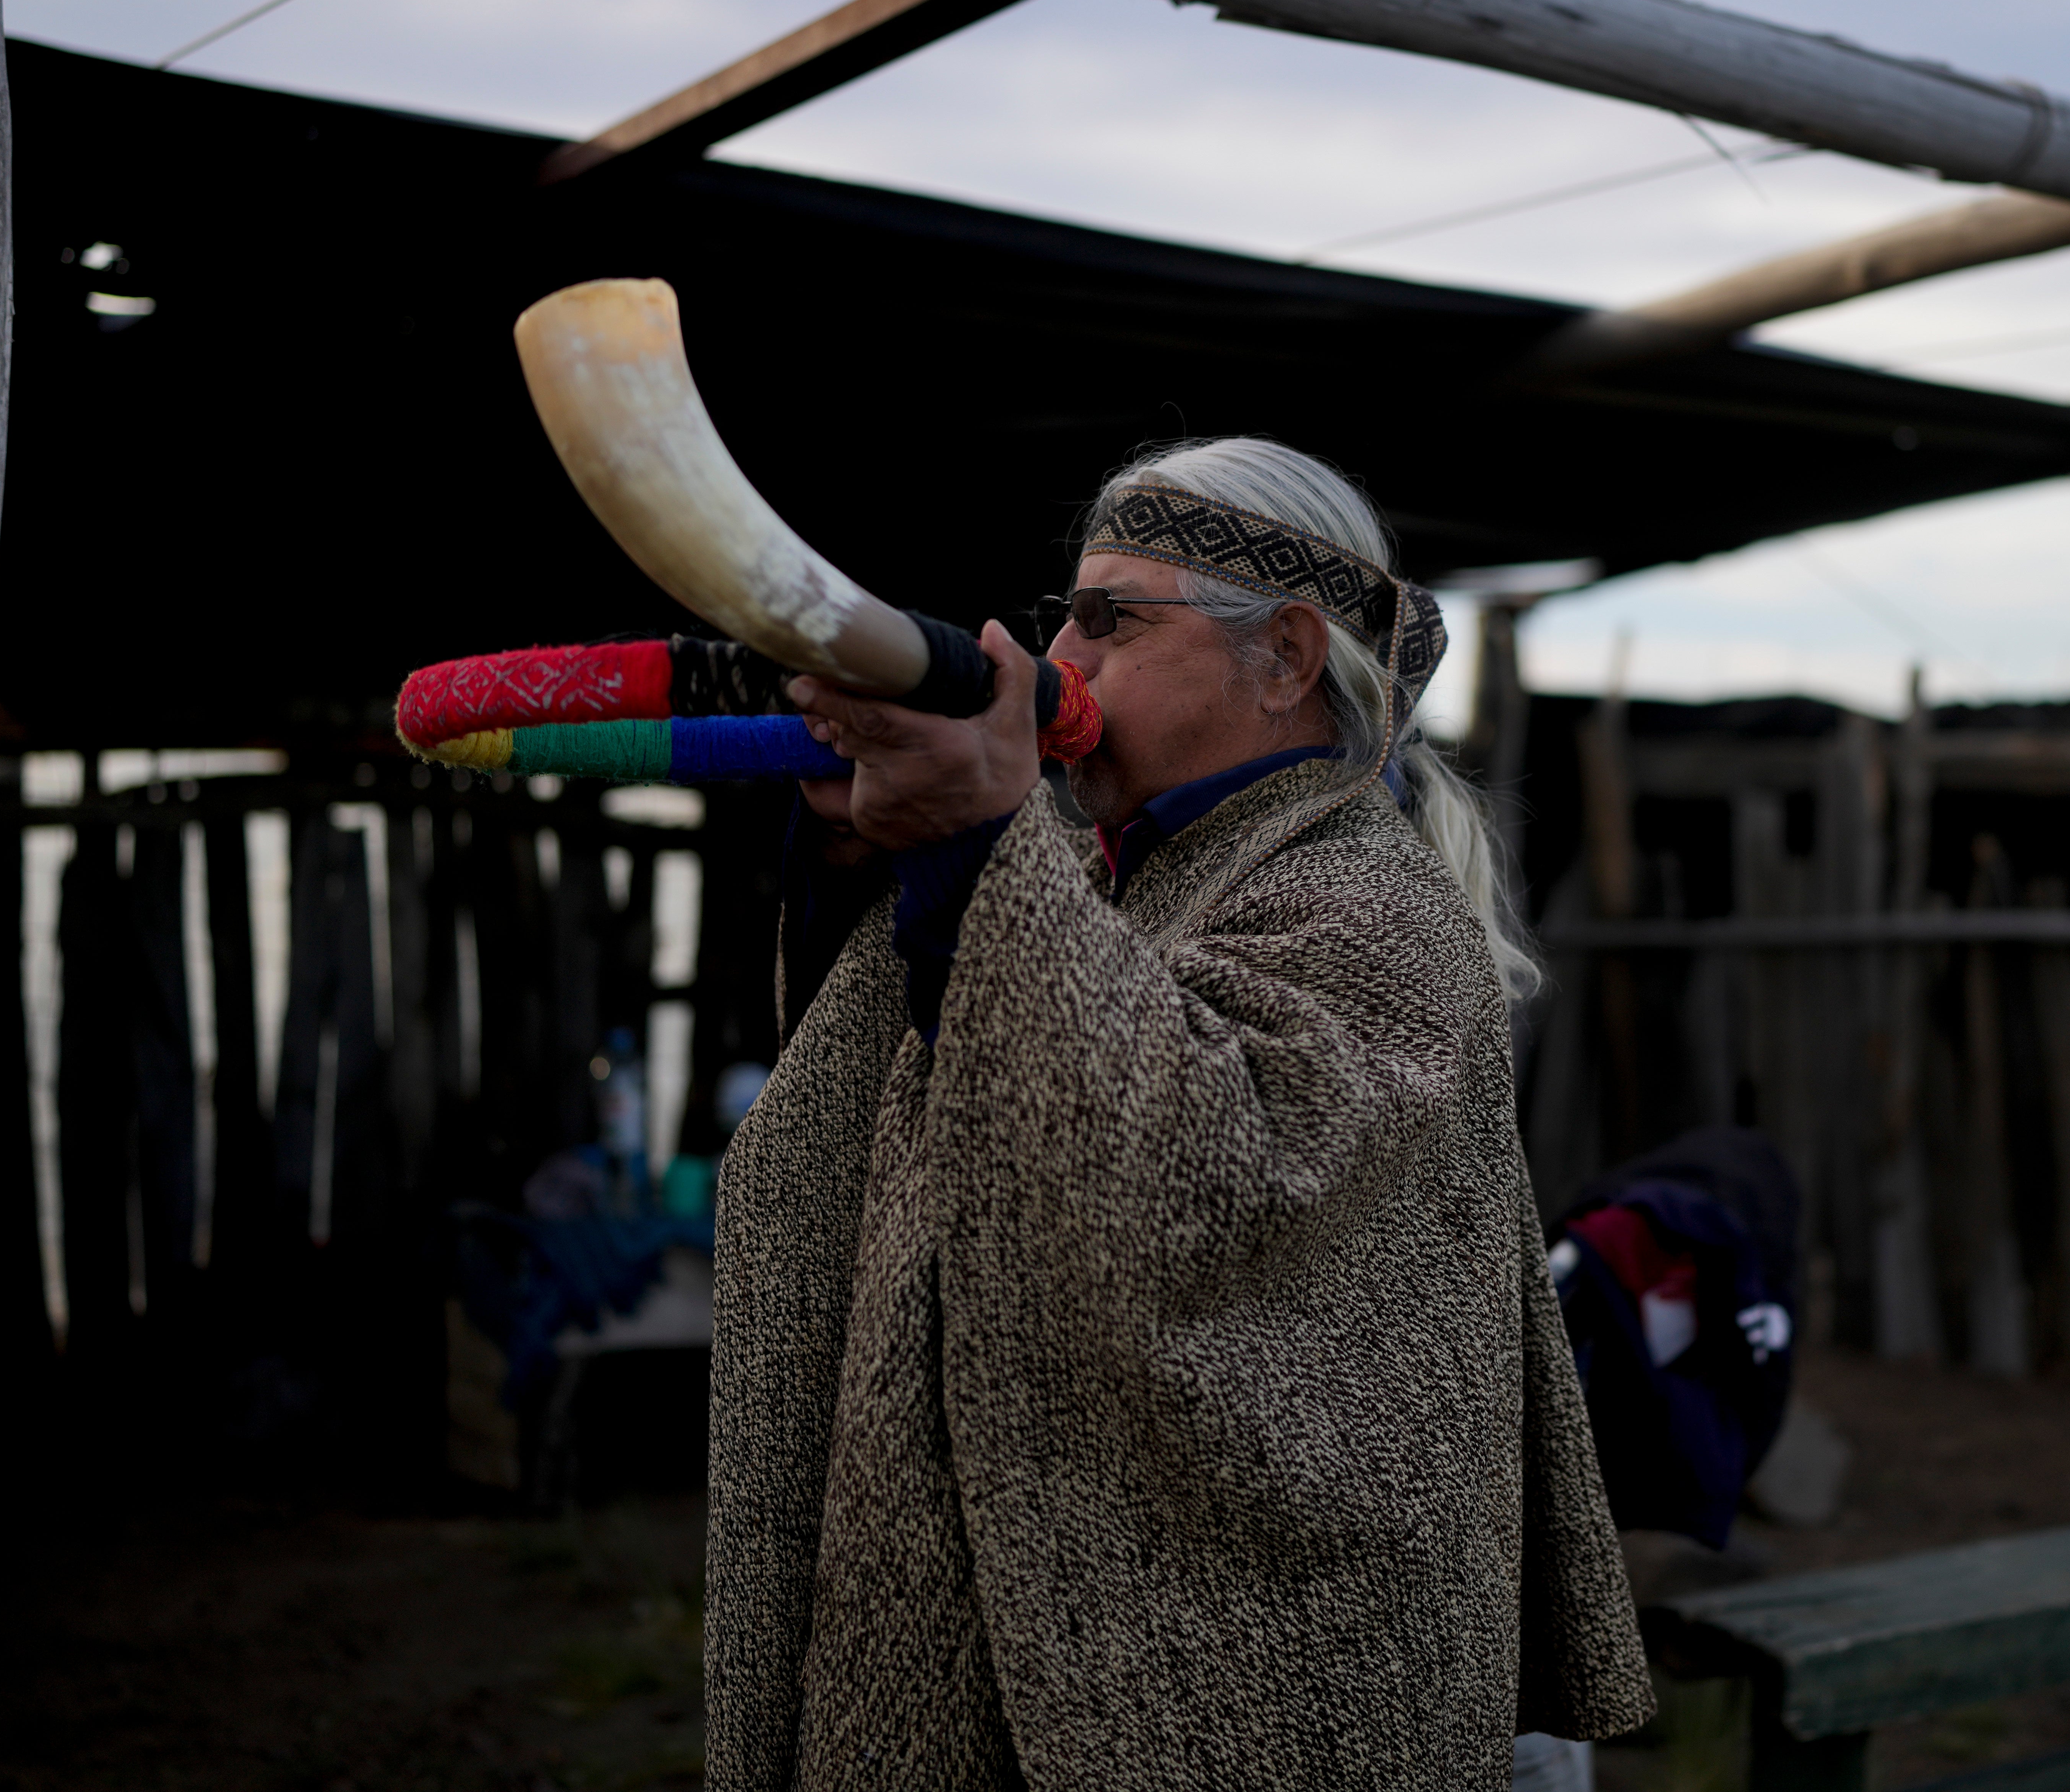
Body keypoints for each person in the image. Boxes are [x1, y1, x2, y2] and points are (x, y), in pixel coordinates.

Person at [704, 438, 1654, 1790]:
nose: (1061, 665)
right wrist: (887, 860)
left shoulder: (1372, 909)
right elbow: (912, 1118)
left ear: (1283, 656)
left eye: (1111, 622)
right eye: (1062, 619)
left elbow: (1198, 1187)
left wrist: (976, 845)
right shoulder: (1107, 876)